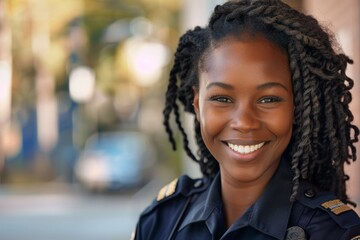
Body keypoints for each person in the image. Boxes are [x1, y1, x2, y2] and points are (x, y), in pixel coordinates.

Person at [133, 0, 360, 239]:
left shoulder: (335, 232)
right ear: (197, 104)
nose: (244, 122)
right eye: (222, 98)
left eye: (269, 100)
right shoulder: (161, 220)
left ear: (297, 107)